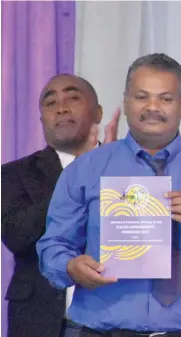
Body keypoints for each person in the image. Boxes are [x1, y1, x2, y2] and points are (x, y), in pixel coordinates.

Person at [36, 53, 181, 336]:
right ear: (126, 102)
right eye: (142, 97)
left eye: (165, 98)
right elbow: (53, 246)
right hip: (103, 331)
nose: (153, 107)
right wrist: (70, 266)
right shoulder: (87, 168)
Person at [2, 74, 119, 337]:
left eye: (73, 97)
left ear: (98, 112)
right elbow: (16, 236)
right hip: (44, 322)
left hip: (117, 321)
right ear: (42, 119)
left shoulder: (129, 167)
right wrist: (81, 174)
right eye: (50, 102)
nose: (61, 107)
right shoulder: (14, 174)